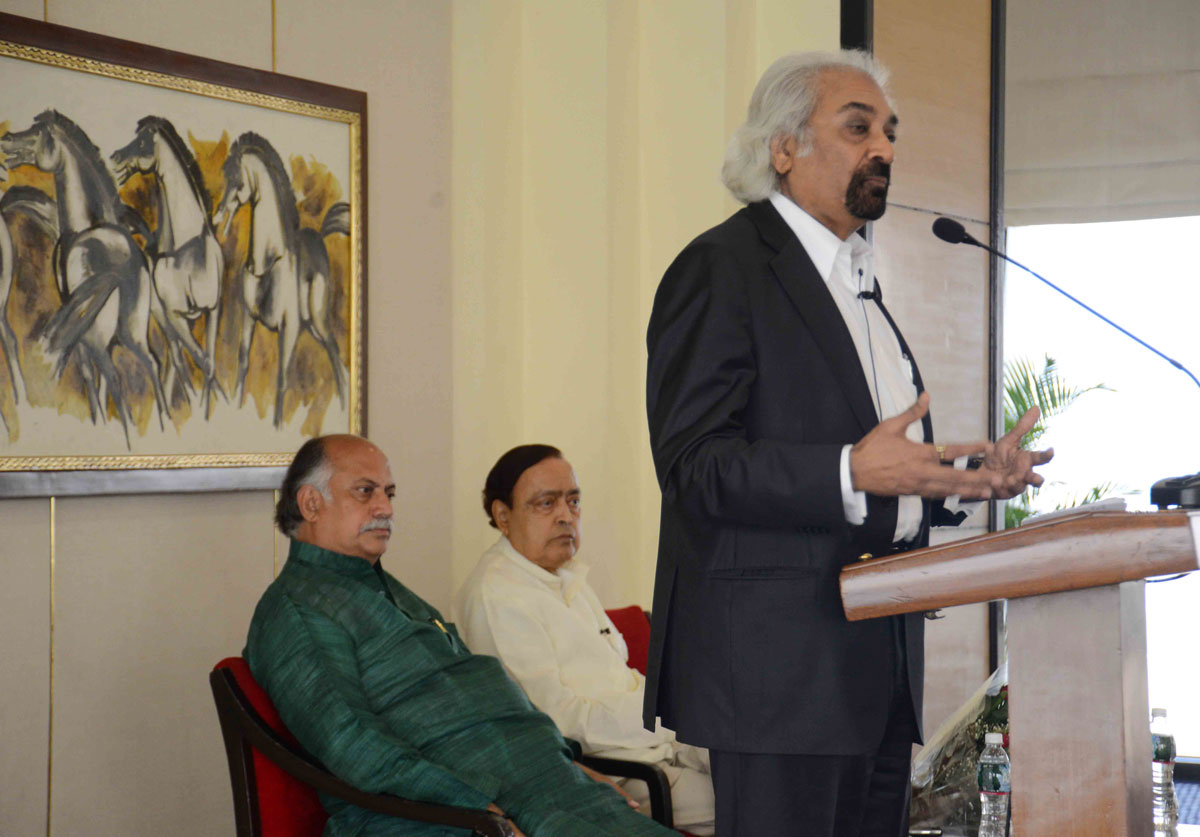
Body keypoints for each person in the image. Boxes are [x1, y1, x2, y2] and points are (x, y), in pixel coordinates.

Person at [642, 50, 1052, 836]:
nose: (885, 149)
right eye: (857, 126)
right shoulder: (722, 269)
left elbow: (876, 473)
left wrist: (966, 478)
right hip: (779, 676)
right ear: (784, 146)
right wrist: (845, 469)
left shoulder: (857, 280)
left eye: (890, 132)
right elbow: (692, 465)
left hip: (877, 666)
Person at [245, 434, 673, 837]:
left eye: (389, 494)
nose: (386, 508)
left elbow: (477, 695)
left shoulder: (384, 588)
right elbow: (353, 745)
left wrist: (568, 766)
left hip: (542, 787)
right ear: (310, 502)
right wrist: (484, 812)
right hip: (453, 816)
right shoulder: (297, 610)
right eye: (365, 491)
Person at [455, 444, 716, 834]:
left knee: (781, 768)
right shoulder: (496, 594)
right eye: (546, 503)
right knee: (761, 804)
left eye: (573, 501)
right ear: (503, 515)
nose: (565, 516)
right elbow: (553, 722)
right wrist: (667, 716)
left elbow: (619, 677)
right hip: (616, 770)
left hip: (656, 740)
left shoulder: (566, 574)